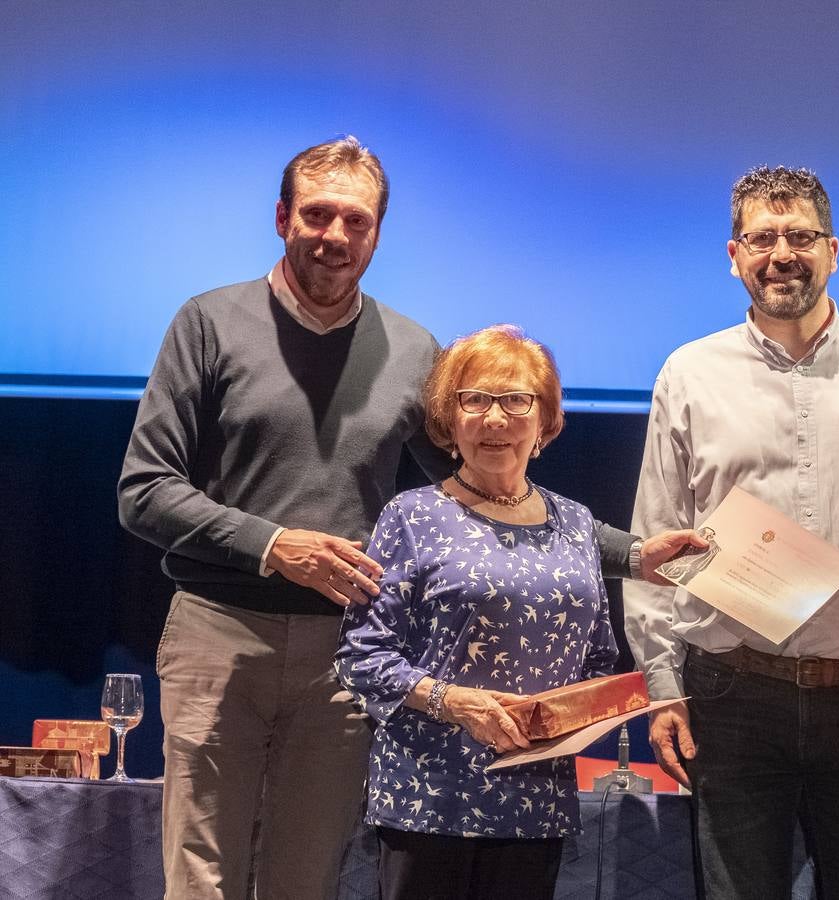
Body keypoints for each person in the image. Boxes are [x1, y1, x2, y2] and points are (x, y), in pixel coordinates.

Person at [117, 136, 694, 900]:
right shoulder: (208, 322)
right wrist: (271, 544)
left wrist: (634, 554)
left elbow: (486, 491)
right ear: (283, 217)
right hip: (221, 633)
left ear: (376, 234)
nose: (334, 236)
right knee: (202, 877)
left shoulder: (411, 349)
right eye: (317, 215)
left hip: (341, 654)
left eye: (354, 221)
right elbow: (145, 490)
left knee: (306, 876)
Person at [624, 165, 839, 899]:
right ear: (733, 254)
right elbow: (656, 543)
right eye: (762, 237)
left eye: (800, 236)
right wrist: (662, 689)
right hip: (732, 695)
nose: (782, 253)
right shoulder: (689, 373)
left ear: (833, 251)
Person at [335, 325, 616, 900]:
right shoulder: (411, 517)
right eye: (475, 400)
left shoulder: (578, 524)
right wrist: (456, 702)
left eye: (516, 400)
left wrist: (585, 713)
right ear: (449, 418)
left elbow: (598, 656)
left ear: (545, 422)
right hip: (430, 796)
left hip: (535, 799)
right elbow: (361, 654)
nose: (495, 419)